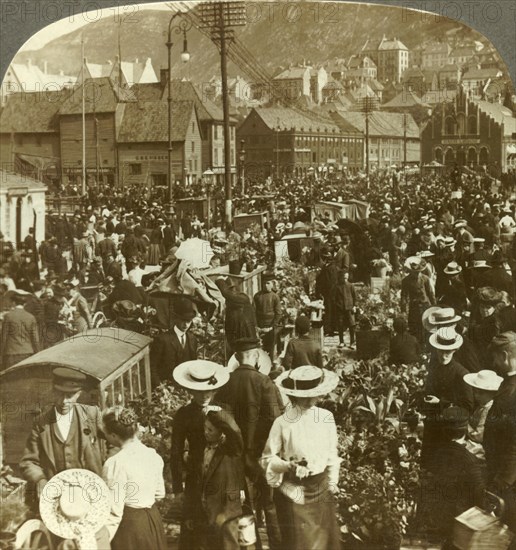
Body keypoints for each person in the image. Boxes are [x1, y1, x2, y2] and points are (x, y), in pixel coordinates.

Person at [261, 365, 341, 550]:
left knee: (323, 542)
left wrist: (333, 482)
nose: (309, 400)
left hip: (321, 489)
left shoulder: (326, 417)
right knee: (299, 542)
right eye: (304, 396)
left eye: (313, 394)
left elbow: (331, 453)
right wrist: (287, 466)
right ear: (294, 395)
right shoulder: (282, 423)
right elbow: (267, 459)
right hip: (294, 491)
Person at [216, 337, 283, 550]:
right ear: (256, 356)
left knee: (244, 505)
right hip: (261, 454)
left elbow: (218, 419)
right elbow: (275, 420)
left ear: (236, 357)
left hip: (235, 455)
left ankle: (252, 545)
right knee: (270, 504)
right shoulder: (264, 383)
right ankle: (277, 545)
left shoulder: (225, 383)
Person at [20, 368, 105, 505]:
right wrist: (40, 479)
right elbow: (28, 462)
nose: (64, 401)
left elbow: (116, 440)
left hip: (91, 493)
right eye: (60, 394)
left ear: (79, 394)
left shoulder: (91, 414)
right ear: (53, 392)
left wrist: (108, 471)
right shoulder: (41, 423)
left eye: (70, 395)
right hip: (58, 497)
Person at [421, 406, 486, 550]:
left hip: (439, 514)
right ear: (465, 430)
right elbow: (479, 492)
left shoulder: (438, 454)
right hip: (461, 518)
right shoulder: (469, 459)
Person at [102, 406, 167, 550]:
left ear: (113, 435)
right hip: (152, 521)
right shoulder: (153, 456)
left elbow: (114, 511)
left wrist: (100, 540)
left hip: (130, 527)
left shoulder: (115, 463)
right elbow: (159, 493)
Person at [198, 409, 246, 550]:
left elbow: (235, 432)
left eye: (211, 430)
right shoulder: (205, 448)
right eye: (205, 428)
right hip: (209, 507)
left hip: (227, 508)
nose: (206, 432)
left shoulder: (231, 449)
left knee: (229, 545)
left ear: (221, 432)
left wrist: (218, 414)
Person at [483, 331, 516, 536]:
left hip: (508, 479)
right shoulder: (508, 384)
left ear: (505, 355)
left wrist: (502, 481)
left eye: (495, 357)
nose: (494, 363)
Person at [150, 296, 199, 385]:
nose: (186, 324)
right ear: (175, 318)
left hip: (187, 384)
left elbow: (193, 364)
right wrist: (160, 387)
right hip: (168, 387)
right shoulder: (162, 340)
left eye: (189, 321)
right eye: (183, 320)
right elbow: (152, 367)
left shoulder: (192, 339)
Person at [463, 369, 503, 460]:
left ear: (492, 394)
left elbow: (479, 436)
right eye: (475, 392)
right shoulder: (481, 406)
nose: (476, 395)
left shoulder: (489, 409)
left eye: (480, 393)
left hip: (481, 447)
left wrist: (464, 423)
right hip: (473, 441)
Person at [215, 277, 258, 356]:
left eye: (233, 288)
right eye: (231, 289)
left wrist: (219, 280)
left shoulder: (242, 298)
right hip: (235, 330)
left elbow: (226, 293)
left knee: (246, 353)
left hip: (245, 331)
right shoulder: (231, 301)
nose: (232, 291)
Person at [1, 289, 40, 370]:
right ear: (25, 304)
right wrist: (38, 354)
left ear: (13, 302)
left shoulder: (8, 316)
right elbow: (35, 339)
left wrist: (1, 355)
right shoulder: (31, 317)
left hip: (11, 353)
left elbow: (3, 338)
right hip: (28, 352)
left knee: (10, 380)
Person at [401, 256, 435, 343]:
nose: (417, 274)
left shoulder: (425, 279)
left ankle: (427, 345)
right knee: (415, 327)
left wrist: (434, 306)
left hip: (426, 306)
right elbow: (404, 296)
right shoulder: (406, 281)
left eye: (418, 272)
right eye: (414, 272)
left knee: (427, 327)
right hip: (414, 307)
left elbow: (430, 294)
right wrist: (403, 310)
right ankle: (417, 346)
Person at [254, 273, 282, 360]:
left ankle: (271, 366)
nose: (266, 285)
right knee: (258, 349)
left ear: (272, 284)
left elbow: (278, 313)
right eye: (264, 283)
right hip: (259, 326)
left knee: (270, 349)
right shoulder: (257, 296)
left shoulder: (275, 297)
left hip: (271, 327)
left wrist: (271, 327)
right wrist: (256, 326)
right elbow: (253, 312)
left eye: (268, 283)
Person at [334, 270, 356, 349]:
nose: (345, 280)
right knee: (340, 325)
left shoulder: (351, 286)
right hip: (340, 308)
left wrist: (354, 306)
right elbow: (334, 298)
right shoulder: (337, 286)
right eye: (343, 278)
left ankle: (352, 342)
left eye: (346, 278)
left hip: (349, 308)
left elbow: (354, 297)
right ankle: (341, 341)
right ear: (340, 278)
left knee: (351, 325)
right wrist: (337, 305)